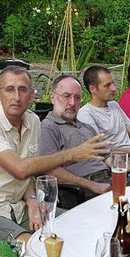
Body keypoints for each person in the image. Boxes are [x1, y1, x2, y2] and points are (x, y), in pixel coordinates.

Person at [0, 66, 109, 243]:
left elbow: (28, 173)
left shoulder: (33, 121)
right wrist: (74, 154)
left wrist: (32, 199)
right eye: (9, 89)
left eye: (23, 90)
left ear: (32, 95)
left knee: (79, 225)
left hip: (18, 207)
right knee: (34, 246)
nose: (16, 97)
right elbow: (19, 169)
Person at [40, 75, 113, 209]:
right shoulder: (49, 127)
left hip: (110, 182)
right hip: (84, 192)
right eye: (66, 96)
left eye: (77, 97)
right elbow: (50, 171)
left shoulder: (86, 127)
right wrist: (92, 185)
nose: (72, 103)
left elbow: (108, 158)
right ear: (53, 97)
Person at [78, 65, 130, 154]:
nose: (114, 88)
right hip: (116, 163)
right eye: (107, 85)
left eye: (113, 83)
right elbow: (99, 148)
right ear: (93, 89)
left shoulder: (114, 105)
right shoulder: (86, 114)